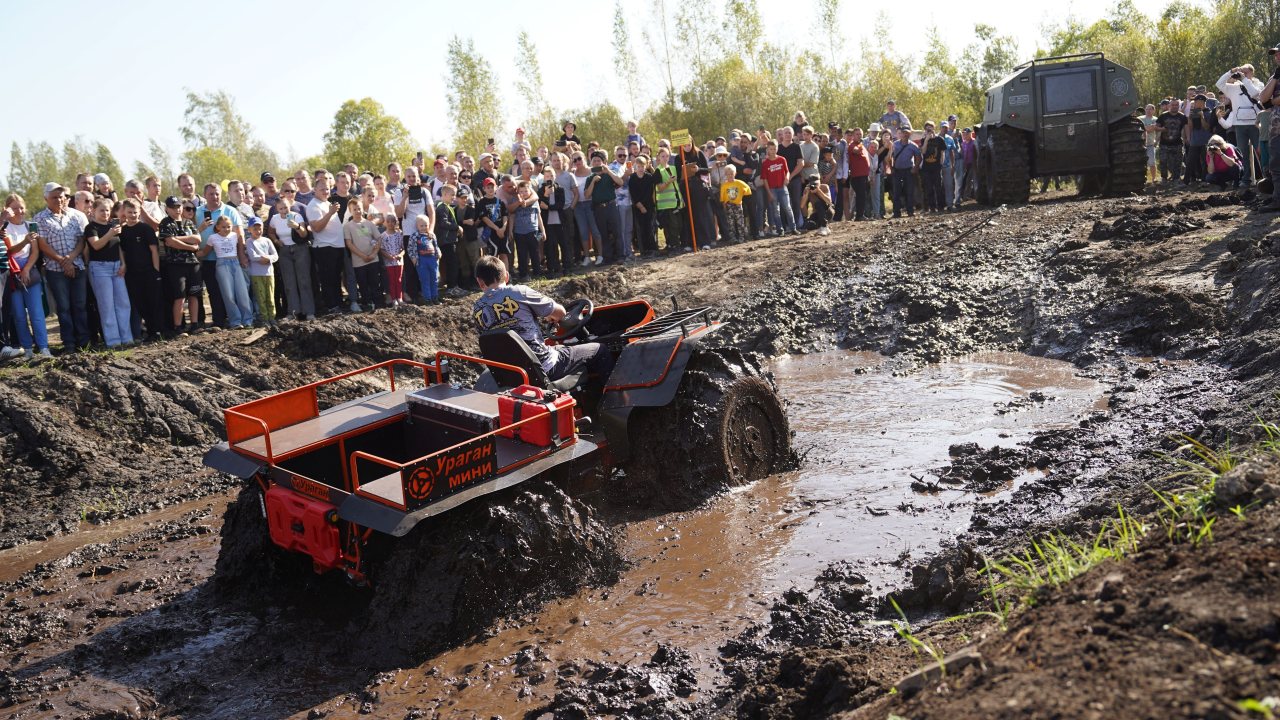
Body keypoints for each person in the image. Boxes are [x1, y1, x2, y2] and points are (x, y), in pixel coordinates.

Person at [472, 256, 613, 383]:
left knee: (561, 348)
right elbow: (561, 313)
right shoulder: (519, 292)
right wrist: (550, 315)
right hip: (545, 368)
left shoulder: (477, 309)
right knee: (600, 349)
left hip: (512, 375)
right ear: (507, 276)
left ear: (480, 282)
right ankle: (610, 401)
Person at [35, 183, 91, 351]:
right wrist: (63, 261)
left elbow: (82, 240)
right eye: (54, 197)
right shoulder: (40, 218)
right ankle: (69, 342)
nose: (59, 200)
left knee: (80, 305)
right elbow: (43, 245)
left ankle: (84, 341)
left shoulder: (76, 215)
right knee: (64, 307)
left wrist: (71, 258)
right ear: (46, 199)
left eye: (61, 196)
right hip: (55, 269)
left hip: (78, 266)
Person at [2, 195, 52, 359]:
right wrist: (24, 242)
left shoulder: (31, 225)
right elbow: (9, 251)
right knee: (19, 315)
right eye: (15, 208)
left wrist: (27, 269)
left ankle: (44, 348)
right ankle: (27, 350)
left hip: (29, 272)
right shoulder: (5, 228)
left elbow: (35, 251)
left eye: (21, 207)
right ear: (8, 210)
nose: (19, 211)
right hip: (13, 273)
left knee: (36, 313)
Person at [83, 197, 134, 348]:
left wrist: (123, 263)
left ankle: (127, 338)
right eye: (101, 210)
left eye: (107, 210)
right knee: (107, 306)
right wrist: (111, 233)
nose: (105, 213)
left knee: (123, 303)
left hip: (116, 267)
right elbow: (96, 245)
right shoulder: (91, 227)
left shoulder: (113, 226)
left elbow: (117, 246)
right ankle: (113, 341)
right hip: (99, 268)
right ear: (94, 211)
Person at [157, 196, 204, 335]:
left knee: (194, 294)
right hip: (175, 264)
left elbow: (197, 238)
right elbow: (170, 242)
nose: (177, 209)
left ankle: (194, 325)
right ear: (167, 209)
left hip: (193, 263)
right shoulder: (165, 223)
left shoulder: (188, 222)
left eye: (178, 206)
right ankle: (178, 327)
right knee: (180, 296)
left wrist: (176, 238)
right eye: (173, 207)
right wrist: (190, 247)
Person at [117, 199, 162, 340]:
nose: (132, 215)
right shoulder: (122, 231)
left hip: (149, 271)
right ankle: (149, 331)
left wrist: (156, 271)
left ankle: (156, 332)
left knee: (153, 302)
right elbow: (122, 251)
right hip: (132, 273)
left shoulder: (145, 229)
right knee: (139, 303)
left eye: (135, 212)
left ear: (139, 212)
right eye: (129, 212)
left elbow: (154, 251)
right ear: (124, 212)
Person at [199, 215, 253, 329]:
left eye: (228, 226)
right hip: (222, 264)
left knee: (242, 292)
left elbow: (241, 248)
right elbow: (204, 252)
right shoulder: (212, 238)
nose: (226, 229)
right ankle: (235, 321)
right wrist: (192, 251)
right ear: (217, 227)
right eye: (223, 227)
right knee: (228, 295)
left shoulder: (234, 235)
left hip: (235, 263)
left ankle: (248, 320)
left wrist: (244, 258)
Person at [342, 200, 381, 311]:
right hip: (359, 262)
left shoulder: (369, 223)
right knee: (363, 284)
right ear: (350, 211)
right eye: (354, 209)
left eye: (359, 208)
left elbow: (378, 238)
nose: (358, 211)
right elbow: (349, 244)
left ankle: (377, 304)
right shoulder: (347, 226)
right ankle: (367, 304)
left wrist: (373, 253)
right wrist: (363, 256)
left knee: (374, 283)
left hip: (373, 259)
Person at [244, 217, 279, 325]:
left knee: (270, 296)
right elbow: (253, 256)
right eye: (255, 229)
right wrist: (264, 258)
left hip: (269, 273)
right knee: (260, 297)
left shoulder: (267, 240)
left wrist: (268, 259)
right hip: (256, 274)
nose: (258, 231)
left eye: (260, 229)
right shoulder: (249, 241)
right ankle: (264, 317)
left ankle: (272, 317)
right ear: (249, 229)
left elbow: (275, 255)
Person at [760, 140, 796, 236]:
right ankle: (780, 230)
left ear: (777, 148)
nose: (773, 151)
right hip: (772, 189)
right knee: (776, 210)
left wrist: (787, 177)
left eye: (774, 148)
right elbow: (764, 179)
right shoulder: (765, 163)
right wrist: (769, 192)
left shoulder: (782, 159)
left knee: (787, 208)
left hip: (782, 187)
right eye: (771, 149)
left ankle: (793, 228)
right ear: (767, 149)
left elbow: (787, 171)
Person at [717, 164, 752, 244]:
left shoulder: (739, 183)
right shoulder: (724, 185)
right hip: (729, 205)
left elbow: (748, 189)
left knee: (740, 221)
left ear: (735, 174)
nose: (730, 176)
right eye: (728, 174)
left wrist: (742, 193)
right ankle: (733, 238)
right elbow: (722, 196)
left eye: (732, 174)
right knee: (730, 222)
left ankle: (742, 237)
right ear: (725, 174)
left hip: (738, 204)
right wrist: (724, 204)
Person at [890, 129, 921, 218]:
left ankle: (910, 211)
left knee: (909, 191)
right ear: (901, 134)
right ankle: (896, 213)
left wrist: (915, 168)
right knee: (896, 192)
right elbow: (889, 156)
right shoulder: (895, 144)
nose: (905, 135)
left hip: (908, 170)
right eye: (903, 133)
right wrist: (891, 168)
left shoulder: (913, 145)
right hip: (897, 170)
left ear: (910, 135)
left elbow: (919, 157)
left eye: (907, 133)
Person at [409, 213, 439, 303]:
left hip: (432, 259)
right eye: (421, 225)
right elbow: (410, 248)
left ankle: (435, 297)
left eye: (426, 225)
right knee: (425, 279)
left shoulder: (431, 235)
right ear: (417, 226)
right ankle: (427, 299)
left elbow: (436, 246)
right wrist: (413, 257)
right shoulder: (414, 236)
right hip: (421, 260)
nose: (424, 227)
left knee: (434, 279)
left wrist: (438, 253)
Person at [1157, 101, 1189, 183]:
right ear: (1169, 106)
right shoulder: (1163, 115)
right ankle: (1164, 178)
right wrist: (1162, 129)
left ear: (1178, 106)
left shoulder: (1182, 117)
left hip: (1177, 143)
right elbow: (1156, 127)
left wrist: (1188, 138)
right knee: (1163, 161)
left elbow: (1186, 128)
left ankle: (1176, 178)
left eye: (1176, 105)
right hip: (1164, 143)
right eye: (1173, 105)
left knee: (1178, 162)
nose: (1175, 106)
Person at [379, 215, 406, 306]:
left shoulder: (399, 234)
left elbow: (403, 248)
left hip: (399, 262)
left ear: (395, 222)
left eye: (392, 221)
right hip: (389, 262)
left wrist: (400, 255)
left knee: (399, 280)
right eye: (388, 221)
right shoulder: (382, 236)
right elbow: (381, 249)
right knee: (391, 280)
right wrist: (388, 256)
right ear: (385, 223)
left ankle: (400, 297)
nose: (390, 223)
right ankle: (393, 298)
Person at [1141, 104, 1161, 183]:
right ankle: (1143, 179)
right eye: (1147, 109)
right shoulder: (1140, 119)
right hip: (1140, 144)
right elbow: (1145, 129)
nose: (1148, 111)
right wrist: (1150, 127)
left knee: (1152, 162)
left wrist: (1156, 141)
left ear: (1153, 110)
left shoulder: (1156, 119)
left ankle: (1153, 178)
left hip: (1151, 144)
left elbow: (1158, 131)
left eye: (1150, 109)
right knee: (1141, 163)